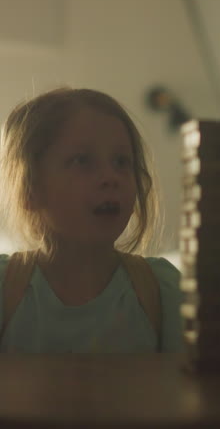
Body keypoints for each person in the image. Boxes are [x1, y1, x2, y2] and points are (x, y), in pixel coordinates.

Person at [0, 87, 183, 353]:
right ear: (30, 189)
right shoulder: (6, 288)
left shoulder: (163, 290)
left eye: (122, 162)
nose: (111, 177)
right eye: (82, 161)